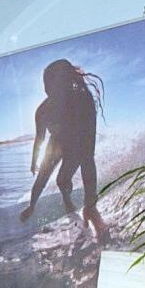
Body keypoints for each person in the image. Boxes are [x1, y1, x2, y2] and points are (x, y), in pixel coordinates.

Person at [20, 58, 109, 243]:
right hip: (54, 144)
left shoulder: (83, 102)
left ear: (70, 84)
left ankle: (71, 201)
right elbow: (40, 138)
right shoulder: (42, 111)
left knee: (62, 180)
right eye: (50, 87)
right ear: (46, 89)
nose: (55, 92)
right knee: (41, 178)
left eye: (60, 86)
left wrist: (90, 205)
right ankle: (31, 206)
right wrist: (33, 160)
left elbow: (88, 158)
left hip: (76, 146)